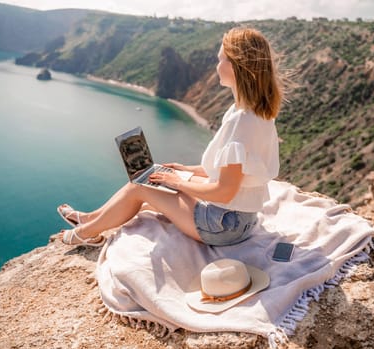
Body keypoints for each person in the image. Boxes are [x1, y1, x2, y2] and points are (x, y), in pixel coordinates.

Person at [57, 27, 284, 247]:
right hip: (240, 219)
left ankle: (85, 234)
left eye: (221, 59)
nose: (216, 67)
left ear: (237, 66)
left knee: (140, 187)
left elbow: (224, 191)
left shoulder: (241, 122)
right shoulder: (253, 112)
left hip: (223, 227)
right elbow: (234, 173)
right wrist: (184, 170)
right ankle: (89, 219)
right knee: (155, 176)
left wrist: (176, 183)